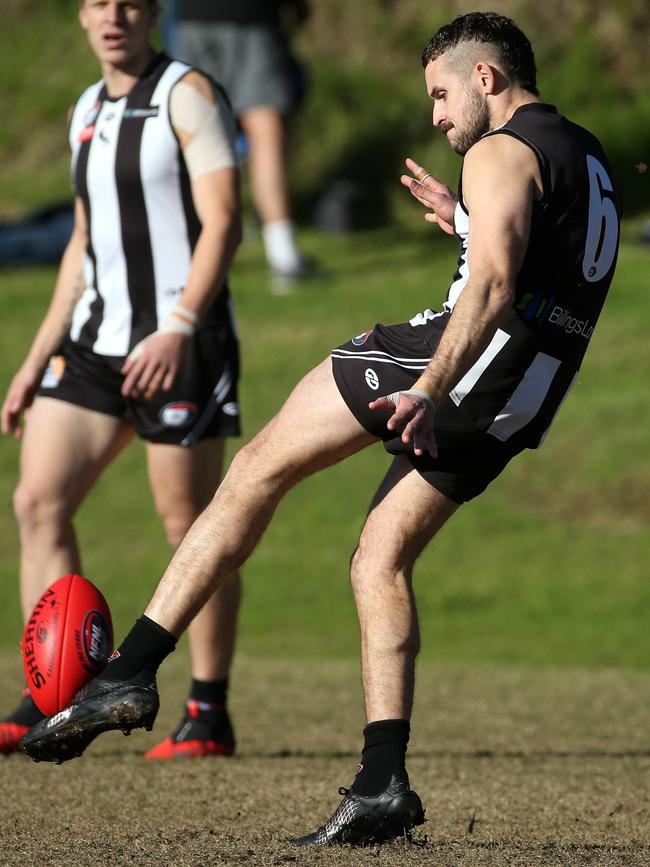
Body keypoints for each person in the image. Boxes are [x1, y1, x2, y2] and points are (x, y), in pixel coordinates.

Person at [22, 11, 621, 847]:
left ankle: (125, 672)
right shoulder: (587, 154)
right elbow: (540, 262)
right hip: (523, 397)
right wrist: (463, 218)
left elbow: (489, 286)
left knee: (257, 467)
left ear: (487, 79)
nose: (439, 117)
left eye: (443, 95)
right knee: (378, 558)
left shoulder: (498, 148)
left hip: (451, 364)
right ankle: (382, 781)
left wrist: (430, 385)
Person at [0, 0, 244, 762]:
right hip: (96, 347)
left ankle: (208, 711)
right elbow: (82, 238)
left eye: (131, 2)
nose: (115, 16)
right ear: (82, 15)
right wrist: (38, 355)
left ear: (151, 14)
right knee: (37, 501)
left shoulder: (187, 94)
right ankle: (54, 692)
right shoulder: (83, 108)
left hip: (182, 343)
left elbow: (226, 219)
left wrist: (177, 327)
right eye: (100, 2)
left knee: (190, 527)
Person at [173, 0, 314, 285]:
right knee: (264, 131)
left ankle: (190, 253)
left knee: (197, 133)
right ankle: (282, 254)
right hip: (247, 14)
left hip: (190, 16)